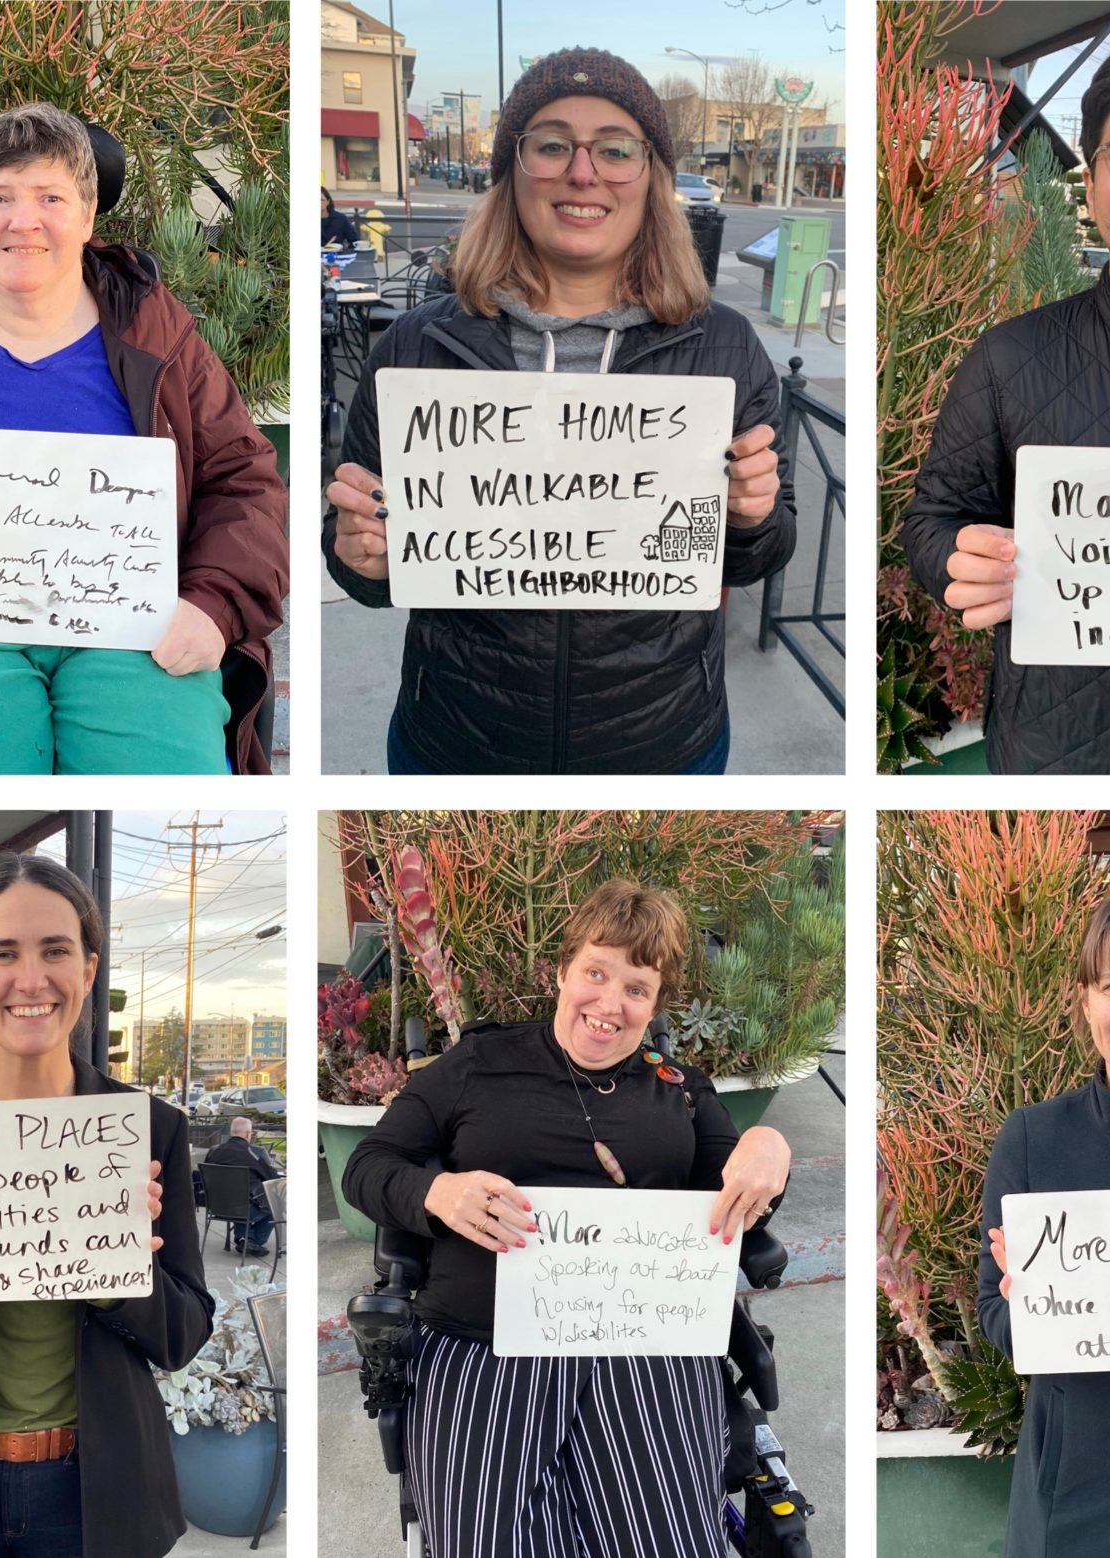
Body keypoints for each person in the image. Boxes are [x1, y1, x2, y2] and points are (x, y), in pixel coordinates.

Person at [323, 48, 796, 775]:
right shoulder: (420, 348)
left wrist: (751, 512)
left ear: (650, 178)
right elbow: (363, 566)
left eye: (615, 149)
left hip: (663, 742)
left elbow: (762, 553)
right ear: (512, 172)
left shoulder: (722, 347)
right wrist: (360, 552)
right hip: (459, 741)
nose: (583, 173)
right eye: (551, 145)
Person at [343, 878, 792, 1558]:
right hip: (485, 1347)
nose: (610, 1004)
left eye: (637, 988)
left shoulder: (681, 1094)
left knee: (665, 1543)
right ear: (562, 971)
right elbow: (370, 1165)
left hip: (647, 1353)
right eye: (596, 973)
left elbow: (738, 1185)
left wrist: (769, 1147)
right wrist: (438, 1194)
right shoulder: (477, 1066)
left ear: (655, 1005)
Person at [901, 33, 1110, 773]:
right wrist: (959, 562)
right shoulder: (1010, 357)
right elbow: (935, 518)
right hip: (1053, 756)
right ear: (1090, 184)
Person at [0, 103, 288, 775]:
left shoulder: (152, 328)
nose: (21, 220)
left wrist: (211, 606)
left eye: (49, 197)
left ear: (88, 216)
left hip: (131, 628)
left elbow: (244, 478)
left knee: (173, 770)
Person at [0, 851, 213, 1558]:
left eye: (56, 950)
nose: (31, 980)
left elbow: (183, 1335)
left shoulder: (148, 1128)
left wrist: (125, 1267)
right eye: (2, 953)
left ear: (88, 970)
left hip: (94, 1493)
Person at [980, 885, 1110, 1557]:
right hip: (1075, 1501)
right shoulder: (1033, 1139)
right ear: (1085, 1002)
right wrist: (1030, 1308)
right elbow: (997, 1313)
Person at [203, 1114, 281, 1255]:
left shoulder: (214, 1152)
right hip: (243, 1209)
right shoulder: (251, 1153)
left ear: (232, 1133)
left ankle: (244, 1237)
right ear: (247, 1134)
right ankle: (251, 1240)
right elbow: (271, 1177)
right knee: (274, 1205)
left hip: (216, 1207)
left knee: (239, 1197)